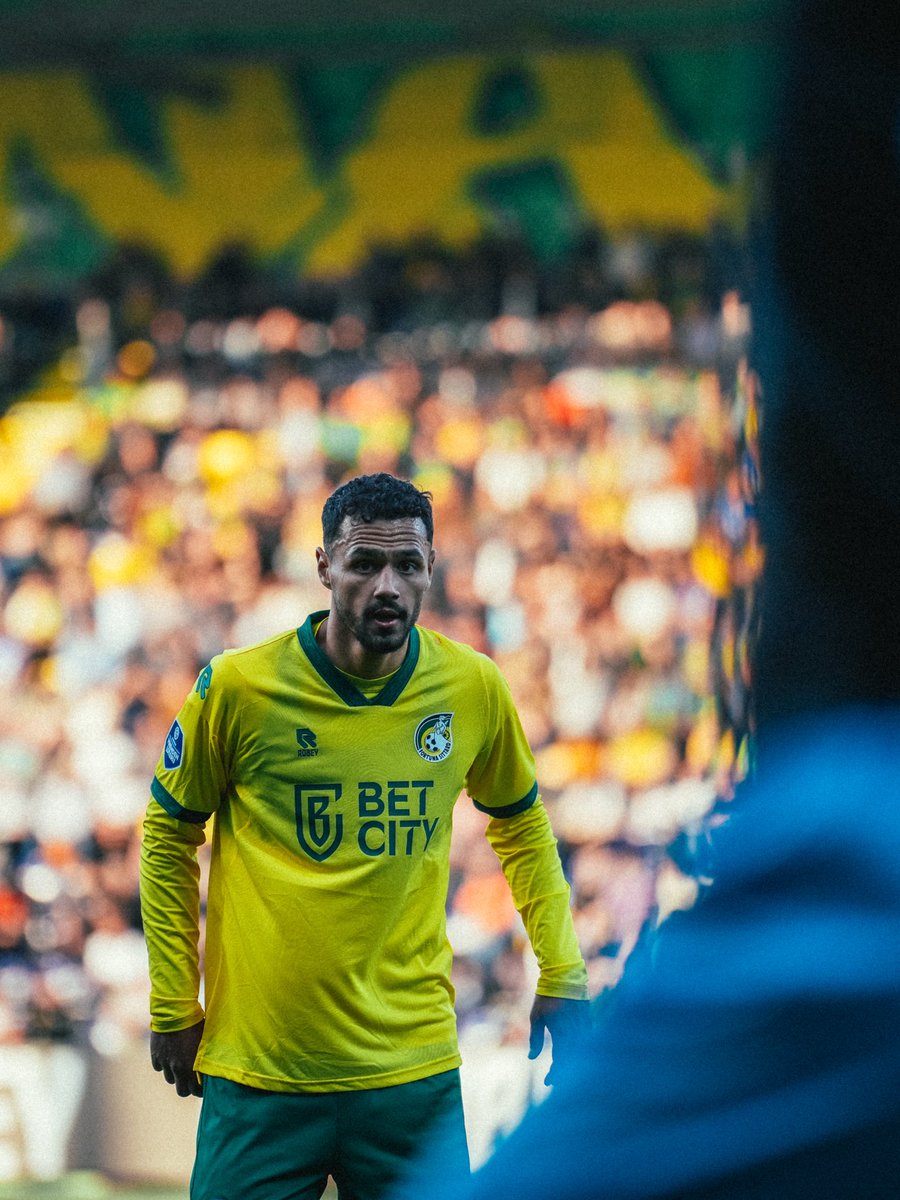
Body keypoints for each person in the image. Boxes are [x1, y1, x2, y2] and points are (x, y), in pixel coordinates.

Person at [139, 471, 589, 1200]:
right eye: (365, 564)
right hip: (261, 1075)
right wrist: (172, 1001)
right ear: (324, 567)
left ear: (431, 570)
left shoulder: (472, 687)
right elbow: (167, 834)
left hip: (410, 1078)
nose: (388, 586)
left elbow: (522, 825)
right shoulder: (238, 689)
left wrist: (563, 971)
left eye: (407, 566)